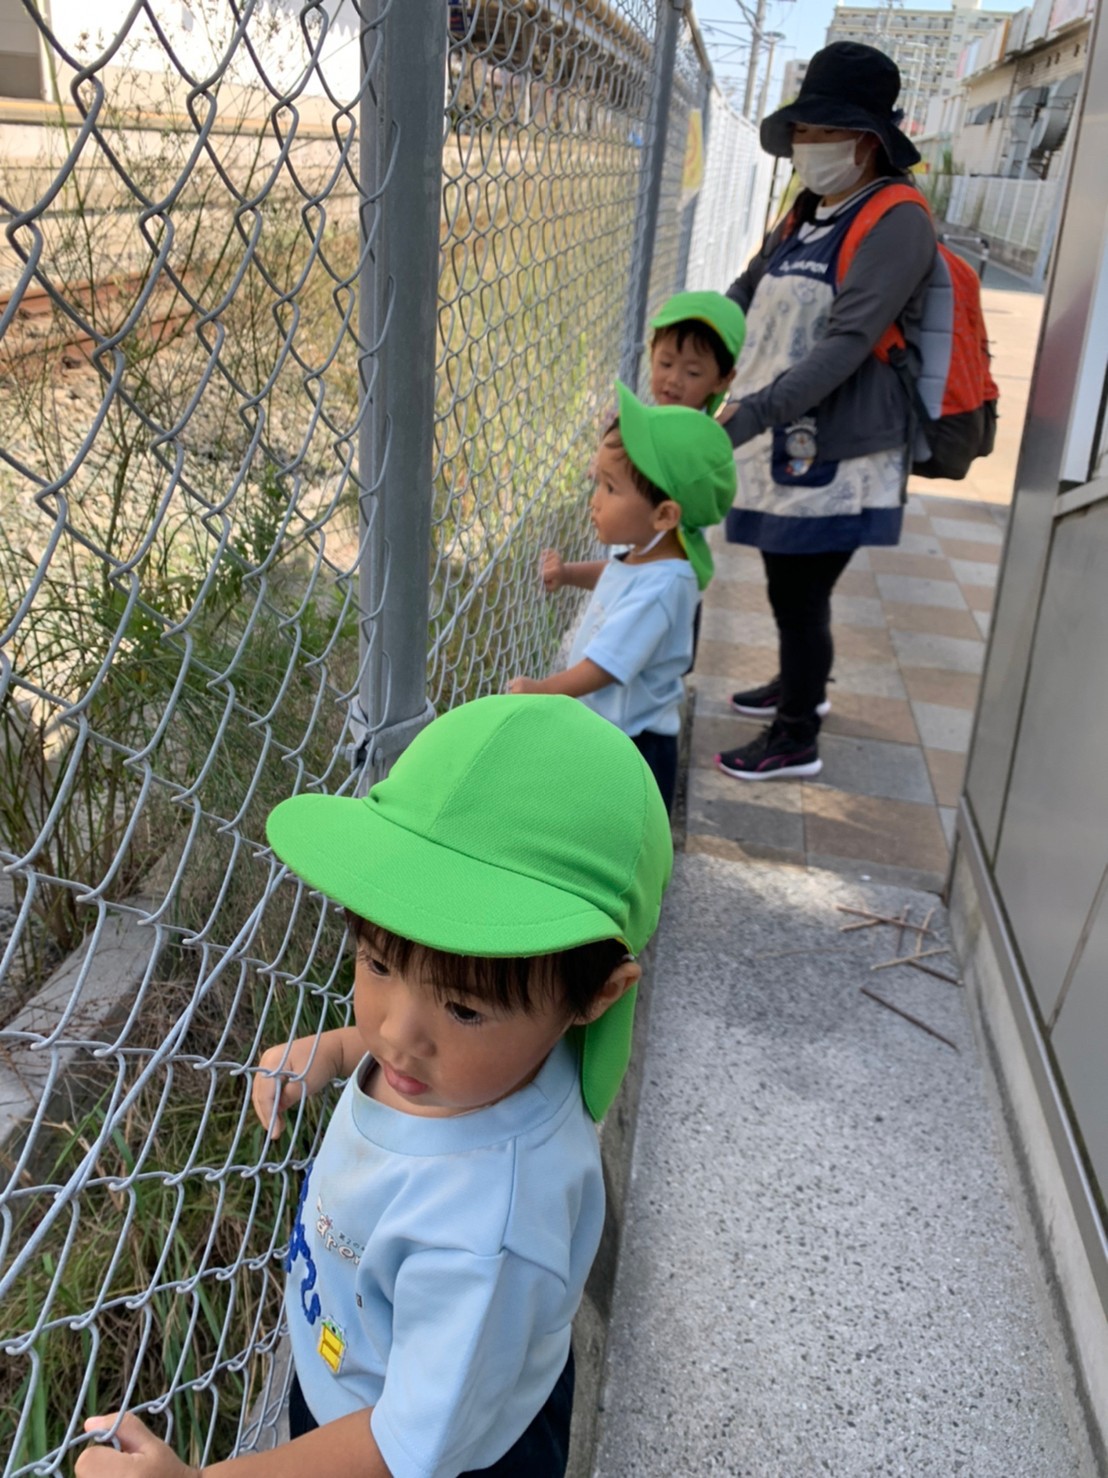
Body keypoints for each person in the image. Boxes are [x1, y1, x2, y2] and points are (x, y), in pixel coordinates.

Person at [75, 694, 673, 1478]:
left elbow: (402, 1446)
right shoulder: (512, 1048)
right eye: (379, 963)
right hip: (392, 1374)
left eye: (463, 1008)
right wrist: (333, 1048)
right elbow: (406, 1031)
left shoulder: (487, 1236)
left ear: (598, 994)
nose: (394, 1034)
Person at [713, 41, 937, 782]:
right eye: (800, 130)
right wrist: (696, 342)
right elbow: (748, 290)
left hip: (842, 445)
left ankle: (796, 734)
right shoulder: (807, 212)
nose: (805, 143)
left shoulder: (897, 219)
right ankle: (796, 681)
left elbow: (848, 343)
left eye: (820, 130)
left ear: (866, 140)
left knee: (800, 588)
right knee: (792, 582)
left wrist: (750, 415)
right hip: (788, 428)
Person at [508, 382, 735, 813]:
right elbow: (616, 575)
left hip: (633, 747)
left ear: (664, 515)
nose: (594, 502)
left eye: (610, 489)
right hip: (620, 732)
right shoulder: (653, 557)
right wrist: (569, 574)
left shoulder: (662, 587)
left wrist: (545, 690)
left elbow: (605, 667)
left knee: (619, 834)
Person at [648, 289, 746, 413]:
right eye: (666, 363)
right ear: (652, 354)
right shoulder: (638, 418)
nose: (674, 380)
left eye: (693, 372)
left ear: (722, 381)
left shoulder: (704, 428)